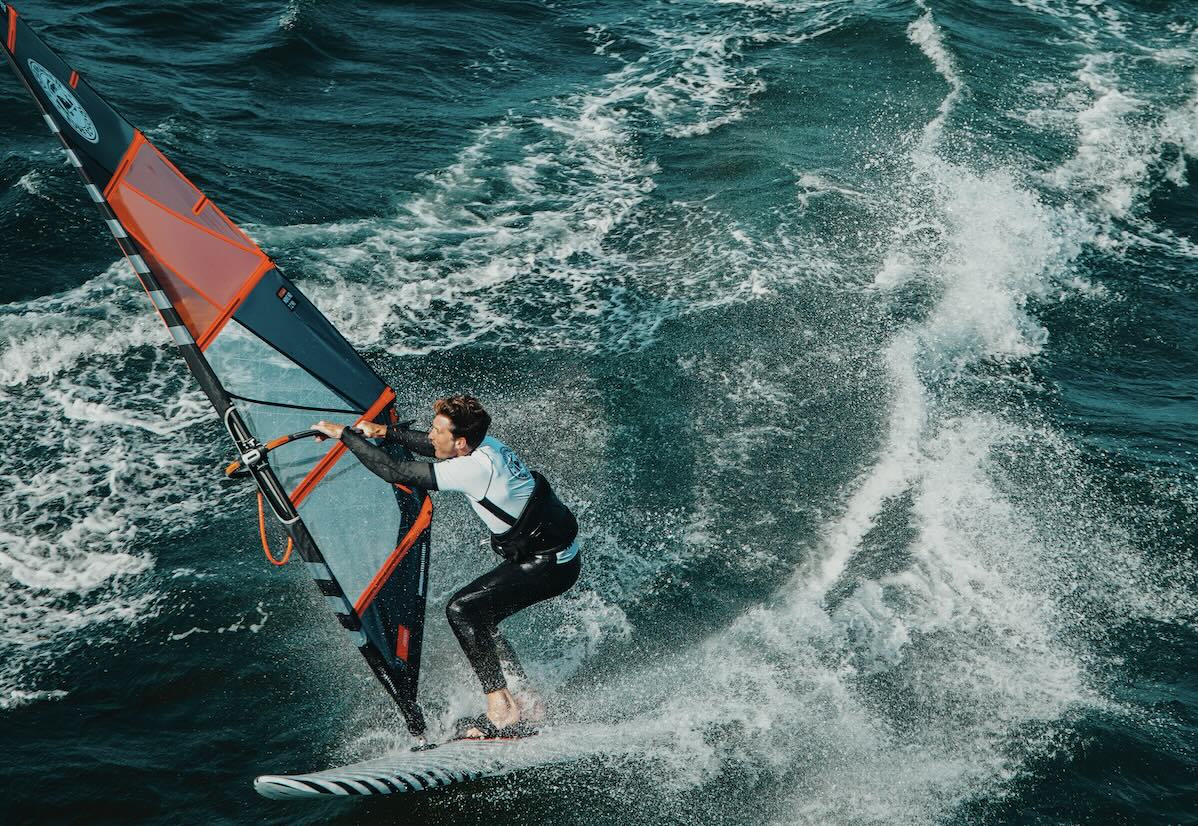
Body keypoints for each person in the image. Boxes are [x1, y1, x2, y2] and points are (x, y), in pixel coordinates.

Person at [311, 394, 580, 740]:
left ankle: (503, 711)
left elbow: (394, 471)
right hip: (555, 555)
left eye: (438, 430)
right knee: (482, 616)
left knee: (462, 610)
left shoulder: (473, 469)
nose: (431, 435)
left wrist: (345, 436)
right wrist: (384, 433)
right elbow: (434, 446)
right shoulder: (486, 446)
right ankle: (527, 700)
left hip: (549, 565)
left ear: (461, 442)